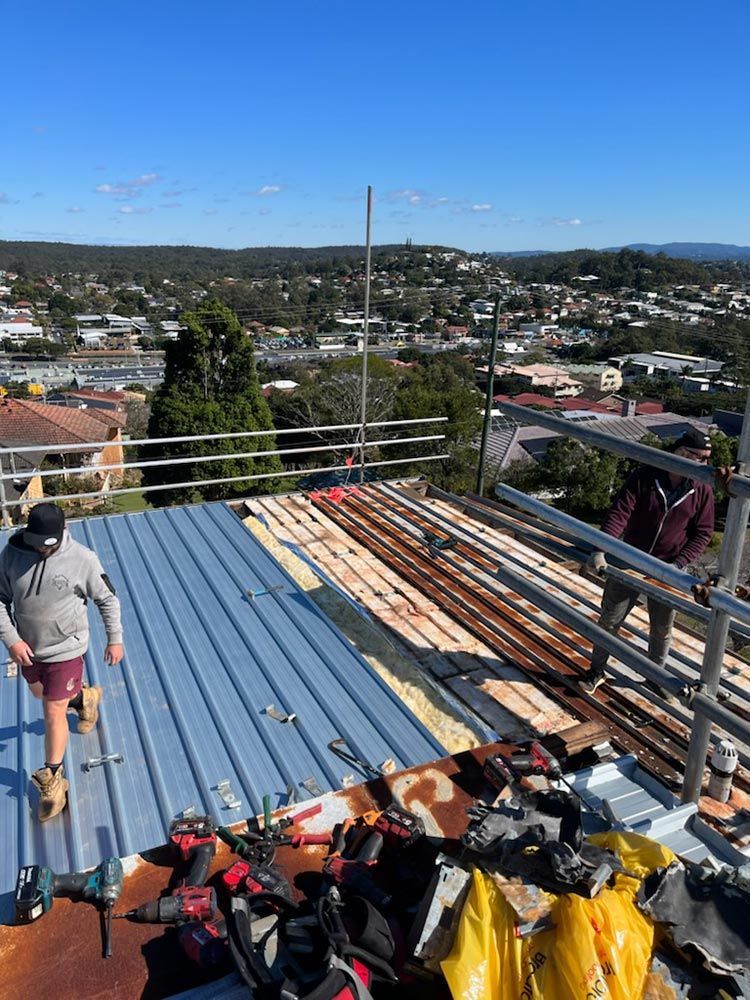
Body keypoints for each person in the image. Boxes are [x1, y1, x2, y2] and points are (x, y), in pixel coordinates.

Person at [0, 502, 123, 821]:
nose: (42, 549)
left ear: (62, 532)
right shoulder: (13, 554)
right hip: (28, 650)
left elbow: (107, 599)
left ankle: (53, 778)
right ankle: (86, 698)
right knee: (44, 695)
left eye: (48, 545)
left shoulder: (83, 559)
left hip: (66, 649)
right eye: (37, 543)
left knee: (53, 709)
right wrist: (11, 639)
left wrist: (115, 638)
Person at [580, 426, 715, 695]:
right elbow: (620, 513)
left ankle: (656, 679)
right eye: (700, 458)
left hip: (668, 566)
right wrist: (600, 549)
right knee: (609, 619)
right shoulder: (645, 476)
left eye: (707, 458)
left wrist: (677, 565)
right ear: (681, 453)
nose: (705, 465)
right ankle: (596, 670)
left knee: (662, 627)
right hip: (629, 557)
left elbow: (703, 532)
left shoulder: (701, 489)